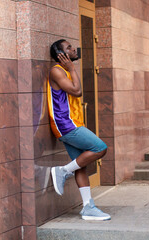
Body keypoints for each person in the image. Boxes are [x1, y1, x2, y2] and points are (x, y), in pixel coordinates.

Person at [47, 39, 111, 221]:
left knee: (80, 165)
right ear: (61, 55)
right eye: (68, 48)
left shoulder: (65, 71)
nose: (73, 49)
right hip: (66, 124)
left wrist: (72, 70)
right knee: (100, 148)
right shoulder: (57, 71)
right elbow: (76, 91)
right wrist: (73, 70)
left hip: (73, 123)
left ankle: (88, 207)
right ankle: (63, 171)